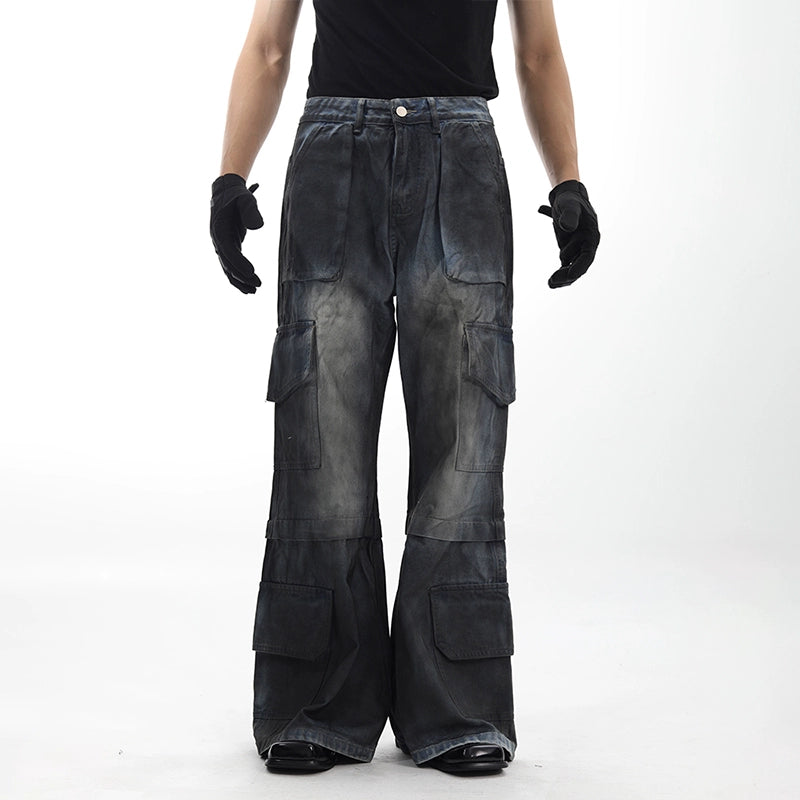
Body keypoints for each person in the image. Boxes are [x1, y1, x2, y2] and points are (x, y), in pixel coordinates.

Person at [209, 0, 600, 777]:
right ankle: (316, 702)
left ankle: (458, 706)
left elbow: (538, 51)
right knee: (321, 438)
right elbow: (268, 46)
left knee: (464, 437)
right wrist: (228, 178)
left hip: (460, 157)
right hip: (334, 160)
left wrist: (570, 181)